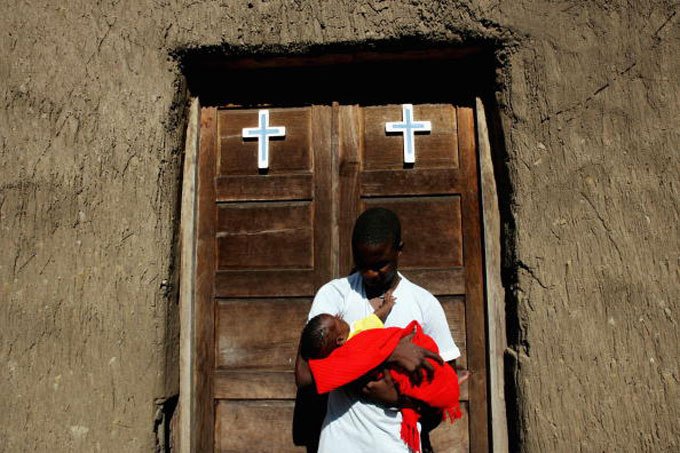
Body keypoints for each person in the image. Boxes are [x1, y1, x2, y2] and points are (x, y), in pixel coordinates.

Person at [294, 207, 462, 452]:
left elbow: (445, 390)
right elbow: (305, 375)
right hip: (341, 443)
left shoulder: (424, 304)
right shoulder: (334, 297)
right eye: (362, 265)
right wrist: (390, 353)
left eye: (380, 264)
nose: (370, 274)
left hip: (398, 444)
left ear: (399, 250)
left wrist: (397, 398)